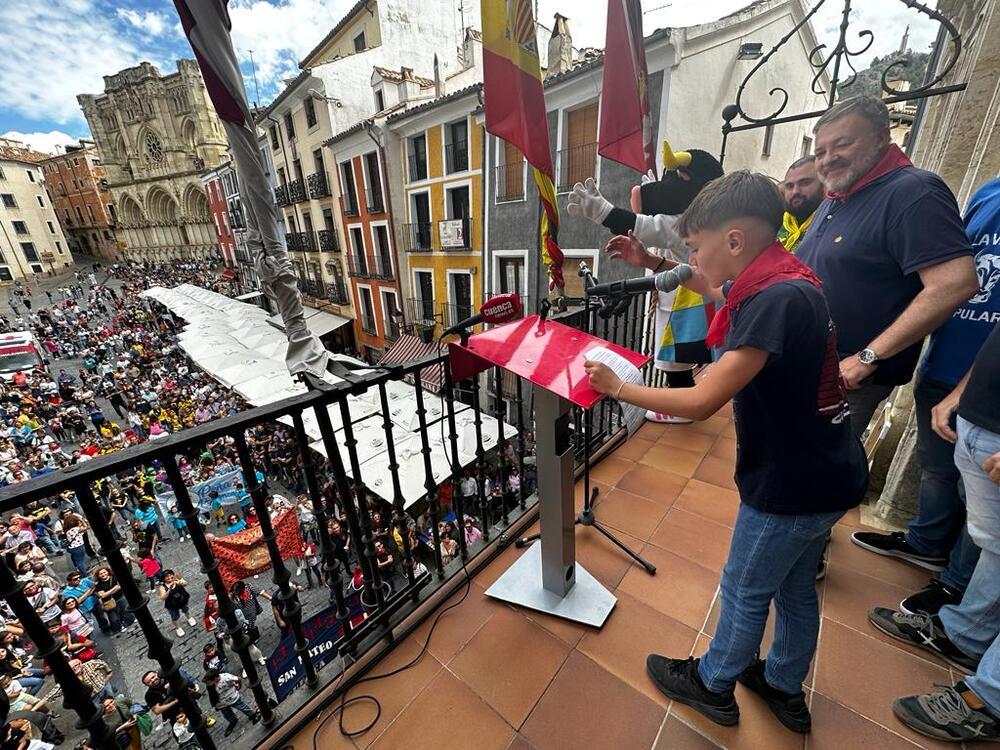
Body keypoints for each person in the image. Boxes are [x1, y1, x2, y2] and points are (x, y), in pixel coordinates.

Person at [584, 171, 869, 732]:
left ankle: (714, 685)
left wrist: (616, 388)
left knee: (743, 588)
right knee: (791, 589)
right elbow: (719, 290)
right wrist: (655, 267)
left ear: (734, 241)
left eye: (695, 246)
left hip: (790, 484)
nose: (691, 257)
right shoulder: (786, 280)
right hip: (829, 472)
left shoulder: (773, 299)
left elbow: (701, 401)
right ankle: (784, 684)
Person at [851, 175, 1000, 615]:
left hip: (984, 385)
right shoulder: (988, 191)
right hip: (946, 362)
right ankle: (926, 543)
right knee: (937, 468)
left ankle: (957, 589)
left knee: (981, 503)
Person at [796, 95, 979, 439]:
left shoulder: (913, 191)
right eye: (820, 152)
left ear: (882, 137)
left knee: (811, 480)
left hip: (844, 378)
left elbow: (955, 283)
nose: (828, 158)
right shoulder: (838, 197)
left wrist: (867, 357)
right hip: (805, 365)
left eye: (842, 144)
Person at [867, 319, 1000, 742]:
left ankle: (991, 700)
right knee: (995, 549)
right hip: (980, 422)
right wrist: (960, 396)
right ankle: (964, 635)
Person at [777, 155, 823, 253]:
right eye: (789, 186)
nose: (795, 191)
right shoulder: (776, 223)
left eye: (805, 183)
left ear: (824, 184)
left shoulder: (829, 227)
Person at [203, 669, 260, 737]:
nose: (208, 684)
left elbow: (238, 679)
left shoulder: (226, 677)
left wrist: (239, 686)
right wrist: (215, 704)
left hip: (233, 698)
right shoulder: (210, 686)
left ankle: (252, 715)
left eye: (209, 682)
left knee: (242, 707)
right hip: (221, 703)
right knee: (227, 714)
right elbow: (212, 696)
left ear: (215, 679)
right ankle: (233, 720)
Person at [158, 570, 197, 637]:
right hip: (172, 604)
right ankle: (178, 628)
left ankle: (189, 618)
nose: (169, 577)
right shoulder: (162, 587)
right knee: (174, 616)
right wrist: (168, 590)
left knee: (186, 610)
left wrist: (181, 580)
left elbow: (185, 583)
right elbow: (162, 598)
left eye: (171, 575)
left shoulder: (176, 581)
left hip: (182, 600)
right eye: (167, 576)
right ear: (164, 578)